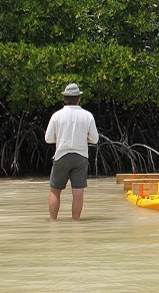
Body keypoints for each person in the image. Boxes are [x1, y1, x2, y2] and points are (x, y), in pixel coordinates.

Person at [44, 83, 98, 221]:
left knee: (55, 191)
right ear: (79, 98)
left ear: (64, 98)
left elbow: (48, 139)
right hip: (81, 157)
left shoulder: (57, 116)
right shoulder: (88, 116)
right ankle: (75, 223)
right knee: (78, 192)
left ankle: (53, 223)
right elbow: (94, 139)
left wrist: (61, 138)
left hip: (61, 155)